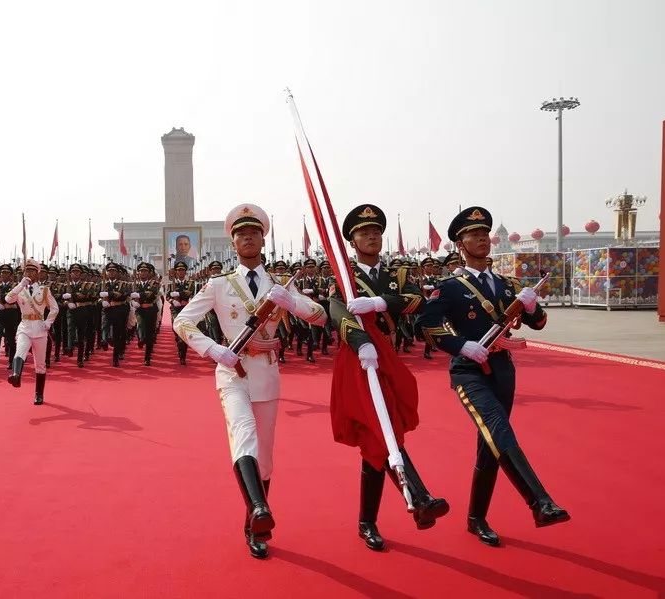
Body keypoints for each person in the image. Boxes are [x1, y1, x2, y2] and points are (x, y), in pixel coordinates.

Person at [174, 203, 327, 559]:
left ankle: (252, 522)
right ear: (233, 242)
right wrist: (215, 350)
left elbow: (320, 317)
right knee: (243, 436)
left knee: (267, 458)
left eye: (254, 233)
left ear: (263, 239)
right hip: (232, 371)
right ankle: (261, 509)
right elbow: (183, 322)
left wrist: (292, 302)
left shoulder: (278, 285)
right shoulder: (218, 284)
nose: (248, 238)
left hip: (267, 375)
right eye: (241, 234)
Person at [421, 206, 569, 547]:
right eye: (473, 235)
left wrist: (531, 307)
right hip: (469, 371)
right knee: (499, 430)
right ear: (460, 243)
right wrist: (462, 345)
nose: (481, 240)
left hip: (503, 370)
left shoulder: (507, 284)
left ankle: (476, 518)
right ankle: (540, 501)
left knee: (490, 446)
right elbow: (427, 327)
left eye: (484, 234)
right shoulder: (449, 288)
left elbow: (540, 323)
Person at [327, 204, 449, 551]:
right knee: (385, 429)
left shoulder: (398, 272)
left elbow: (413, 301)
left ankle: (368, 522)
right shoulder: (344, 275)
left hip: (389, 356)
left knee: (378, 442)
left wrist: (379, 302)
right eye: (364, 232)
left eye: (376, 231)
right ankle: (420, 497)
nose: (372, 236)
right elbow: (337, 309)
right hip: (358, 360)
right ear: (352, 240)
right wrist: (360, 340)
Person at [6, 259, 58, 405]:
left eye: (32, 271)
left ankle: (39, 394)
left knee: (40, 365)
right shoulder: (19, 289)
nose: (29, 273)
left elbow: (55, 308)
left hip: (40, 330)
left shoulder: (44, 290)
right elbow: (8, 299)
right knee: (20, 351)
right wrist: (20, 285)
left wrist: (48, 322)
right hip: (25, 327)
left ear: (37, 274)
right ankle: (16, 375)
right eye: (27, 271)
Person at [133, 262, 160, 366]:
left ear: (149, 273)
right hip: (139, 310)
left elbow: (150, 294)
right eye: (141, 271)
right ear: (138, 273)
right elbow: (130, 294)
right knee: (139, 325)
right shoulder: (135, 284)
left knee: (150, 334)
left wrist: (138, 295)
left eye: (145, 271)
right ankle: (140, 338)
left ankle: (147, 357)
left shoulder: (154, 284)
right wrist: (133, 301)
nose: (143, 273)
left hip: (150, 310)